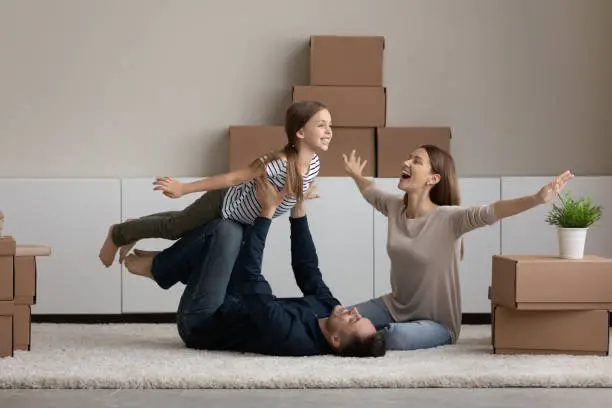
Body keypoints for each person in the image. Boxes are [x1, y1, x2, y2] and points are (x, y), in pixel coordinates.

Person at [123, 176, 386, 357]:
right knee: (239, 216)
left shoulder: (290, 336)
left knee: (226, 230)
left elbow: (251, 275)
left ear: (336, 341)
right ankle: (167, 264)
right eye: (359, 315)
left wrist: (268, 211)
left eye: (354, 321)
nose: (353, 311)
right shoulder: (330, 308)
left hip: (202, 321)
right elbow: (307, 268)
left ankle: (161, 267)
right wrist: (299, 208)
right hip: (233, 300)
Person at [342, 147, 573, 350]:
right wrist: (355, 174)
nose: (406, 162)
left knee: (393, 336)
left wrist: (536, 198)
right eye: (408, 158)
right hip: (394, 307)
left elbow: (493, 211)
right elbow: (370, 191)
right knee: (340, 317)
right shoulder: (394, 207)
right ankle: (357, 332)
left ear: (433, 179)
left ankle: (367, 334)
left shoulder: (449, 219)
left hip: (437, 324)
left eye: (416, 161)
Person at [98, 100, 333, 267]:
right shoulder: (275, 164)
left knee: (182, 222)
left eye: (330, 125)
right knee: (175, 228)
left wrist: (303, 191)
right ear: (300, 132)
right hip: (223, 204)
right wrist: (183, 188)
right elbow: (231, 178)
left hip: (240, 218)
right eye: (321, 125)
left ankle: (136, 225)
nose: (329, 131)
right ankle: (119, 233)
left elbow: (297, 183)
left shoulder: (314, 163)